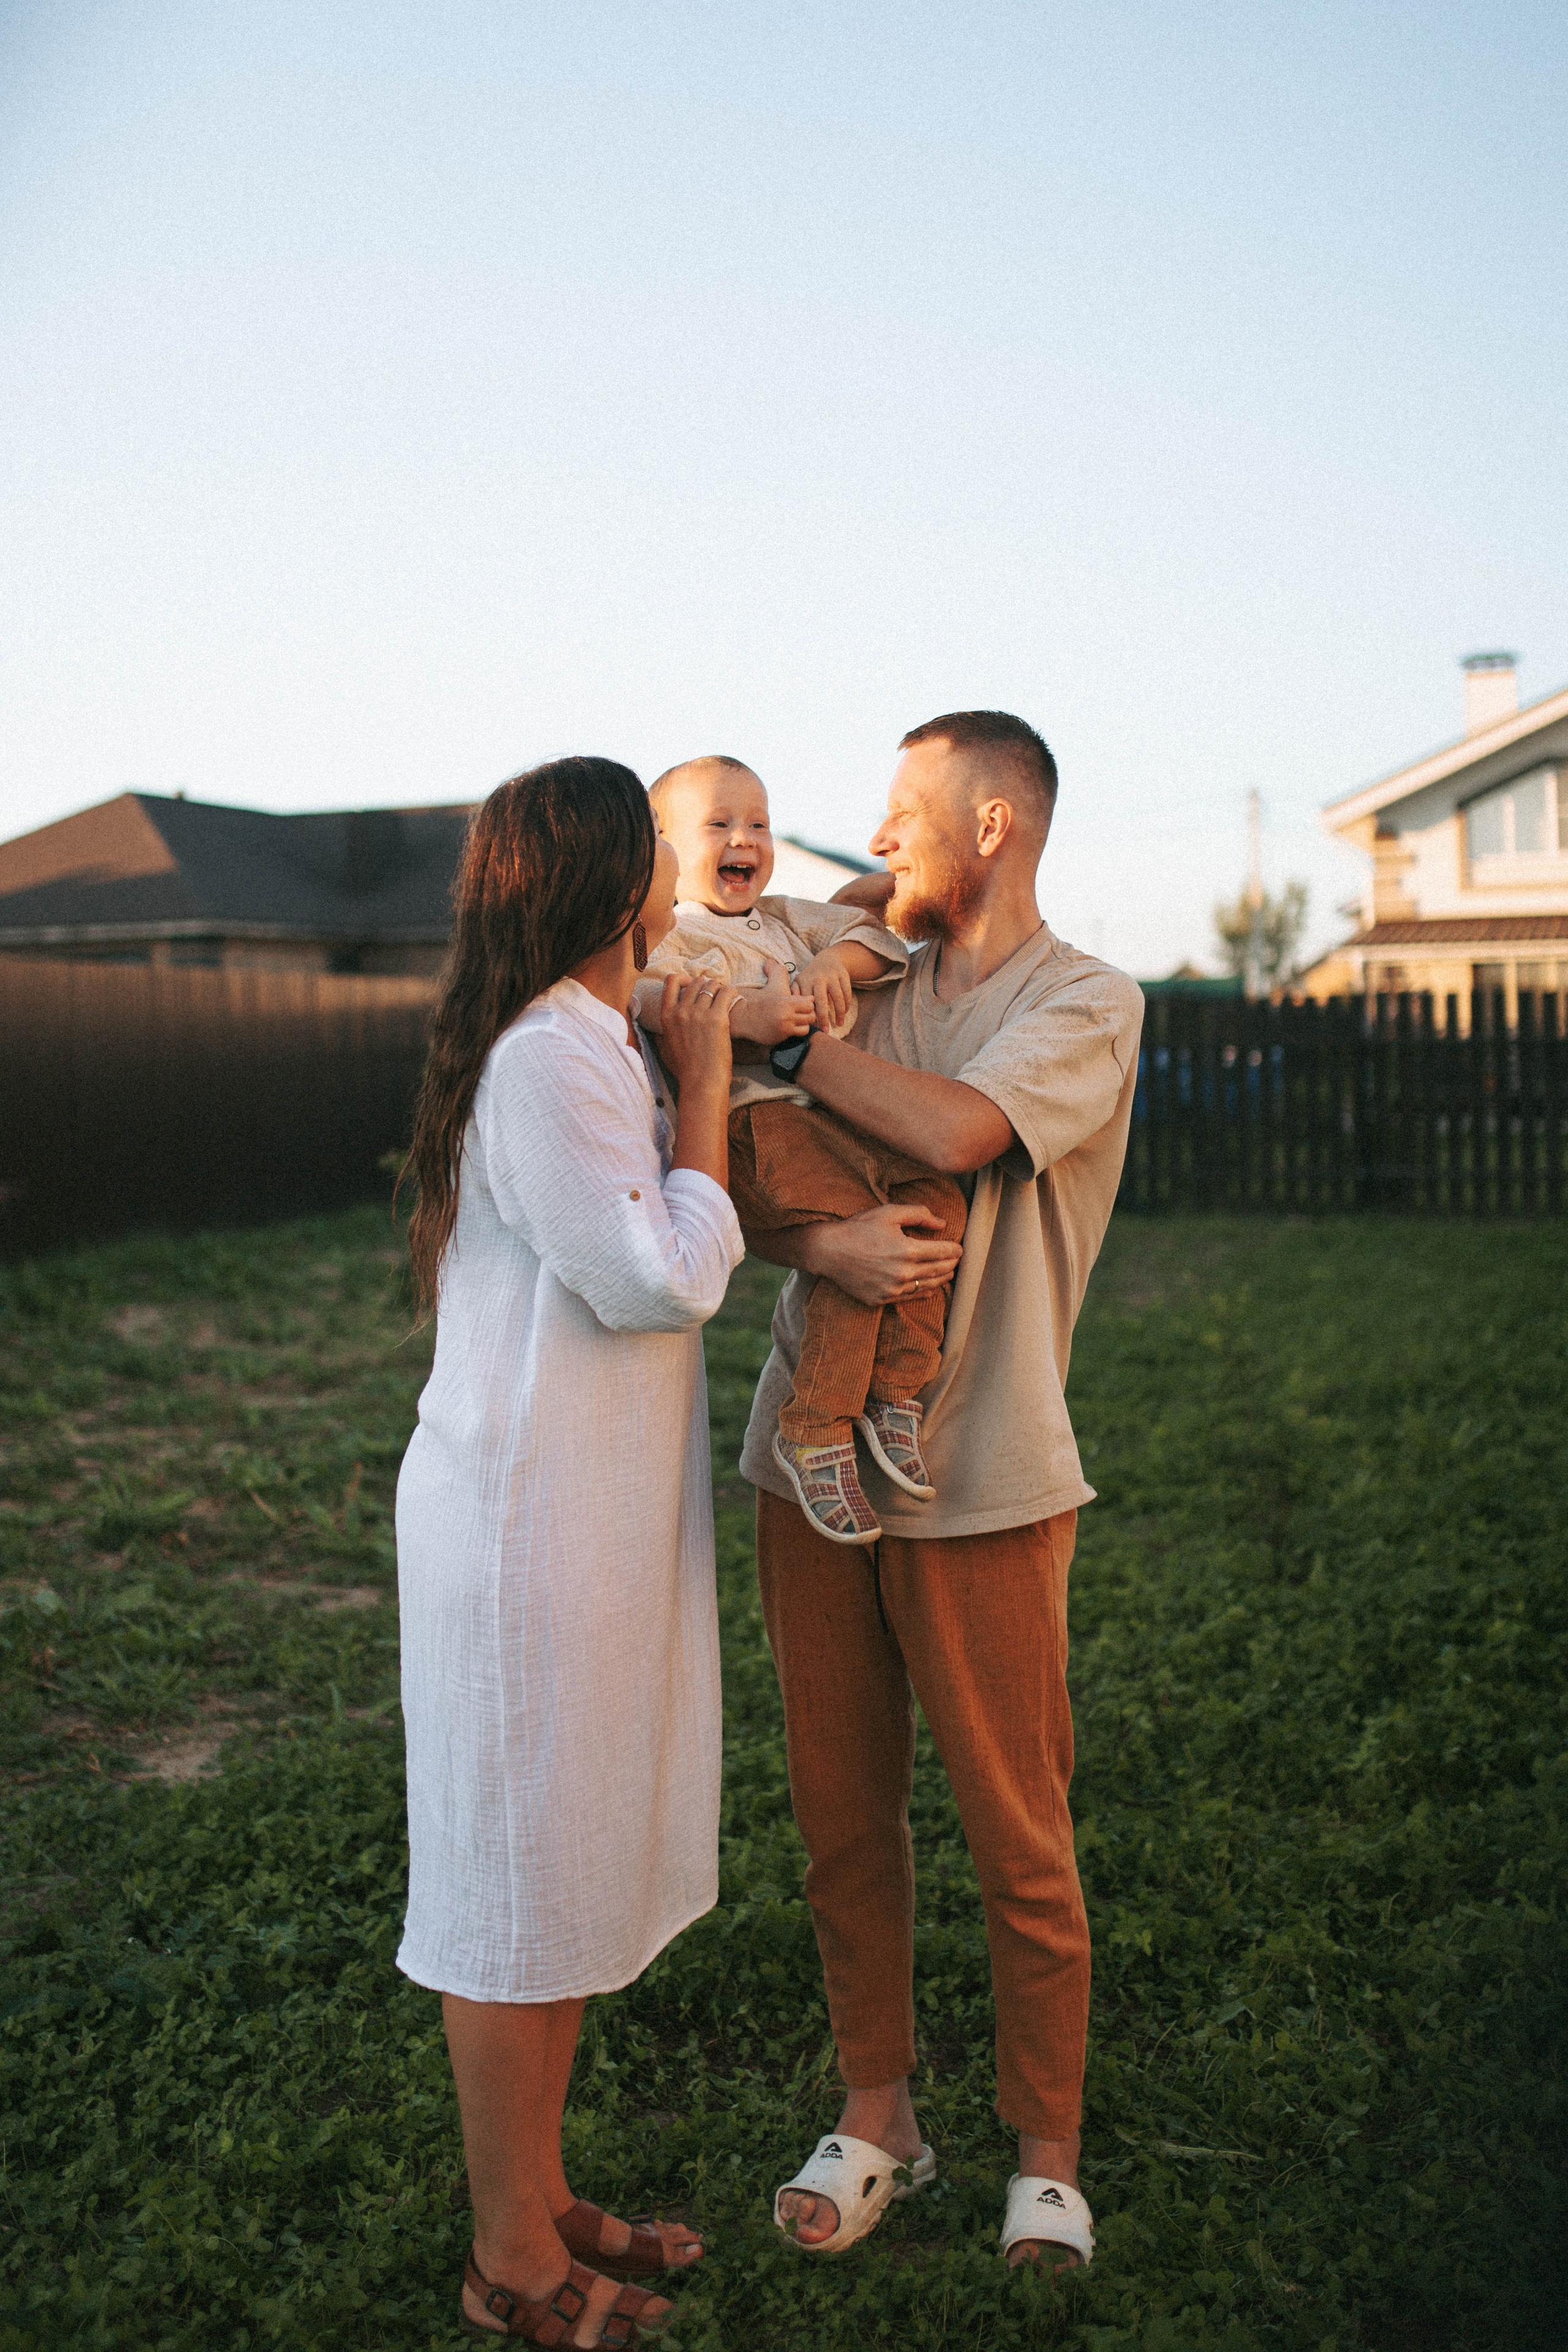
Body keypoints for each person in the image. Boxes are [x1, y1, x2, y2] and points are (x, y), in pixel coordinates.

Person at [741, 711, 1144, 2274]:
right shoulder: (859, 981)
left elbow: (961, 1136)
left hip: (984, 1471)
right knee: (843, 1817)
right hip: (809, 1453)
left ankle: (1045, 2155)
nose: (876, 835)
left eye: (903, 813)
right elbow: (751, 1173)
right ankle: (876, 2116)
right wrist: (811, 1246)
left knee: (1013, 1828)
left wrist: (790, 1041)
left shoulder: (1085, 1002)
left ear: (991, 825)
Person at [394, 756, 744, 2348]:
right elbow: (655, 1277)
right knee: (508, 1900)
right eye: (664, 859)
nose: (685, 881)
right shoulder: (549, 1059)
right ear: (617, 889)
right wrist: (715, 1092)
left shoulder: (593, 1041)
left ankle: (539, 2200)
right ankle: (508, 2264)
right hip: (524, 1536)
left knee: (565, 1868)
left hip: (585, 1522)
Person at [637, 755, 967, 1545]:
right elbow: (638, 996)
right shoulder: (672, 934)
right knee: (869, 1232)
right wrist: (742, 1016)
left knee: (936, 1204)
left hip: (830, 1120)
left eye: (758, 824)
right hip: (754, 1126)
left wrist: (828, 961)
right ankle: (816, 1426)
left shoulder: (787, 918)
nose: (743, 839)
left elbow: (878, 940)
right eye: (718, 825)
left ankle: (891, 1390)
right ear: (665, 847)